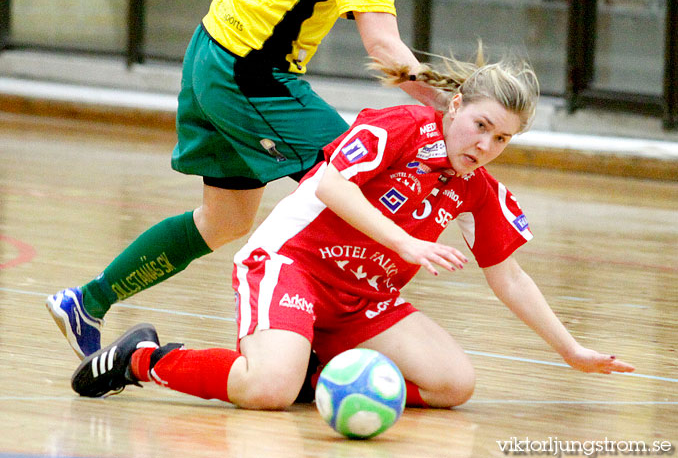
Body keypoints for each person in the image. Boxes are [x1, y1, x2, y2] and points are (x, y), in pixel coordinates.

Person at [46, 0, 484, 360]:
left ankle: (88, 302)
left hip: (212, 50)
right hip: (252, 76)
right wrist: (448, 105)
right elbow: (383, 46)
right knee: (351, 185)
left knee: (224, 219)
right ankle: (305, 339)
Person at [70, 50, 634, 406]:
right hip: (292, 268)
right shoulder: (403, 126)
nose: (485, 147)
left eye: (502, 139)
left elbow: (508, 277)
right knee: (266, 391)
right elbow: (330, 185)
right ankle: (143, 359)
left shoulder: (478, 187)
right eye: (481, 126)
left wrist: (572, 350)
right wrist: (405, 242)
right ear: (455, 106)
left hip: (363, 300)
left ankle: (310, 370)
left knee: (453, 385)